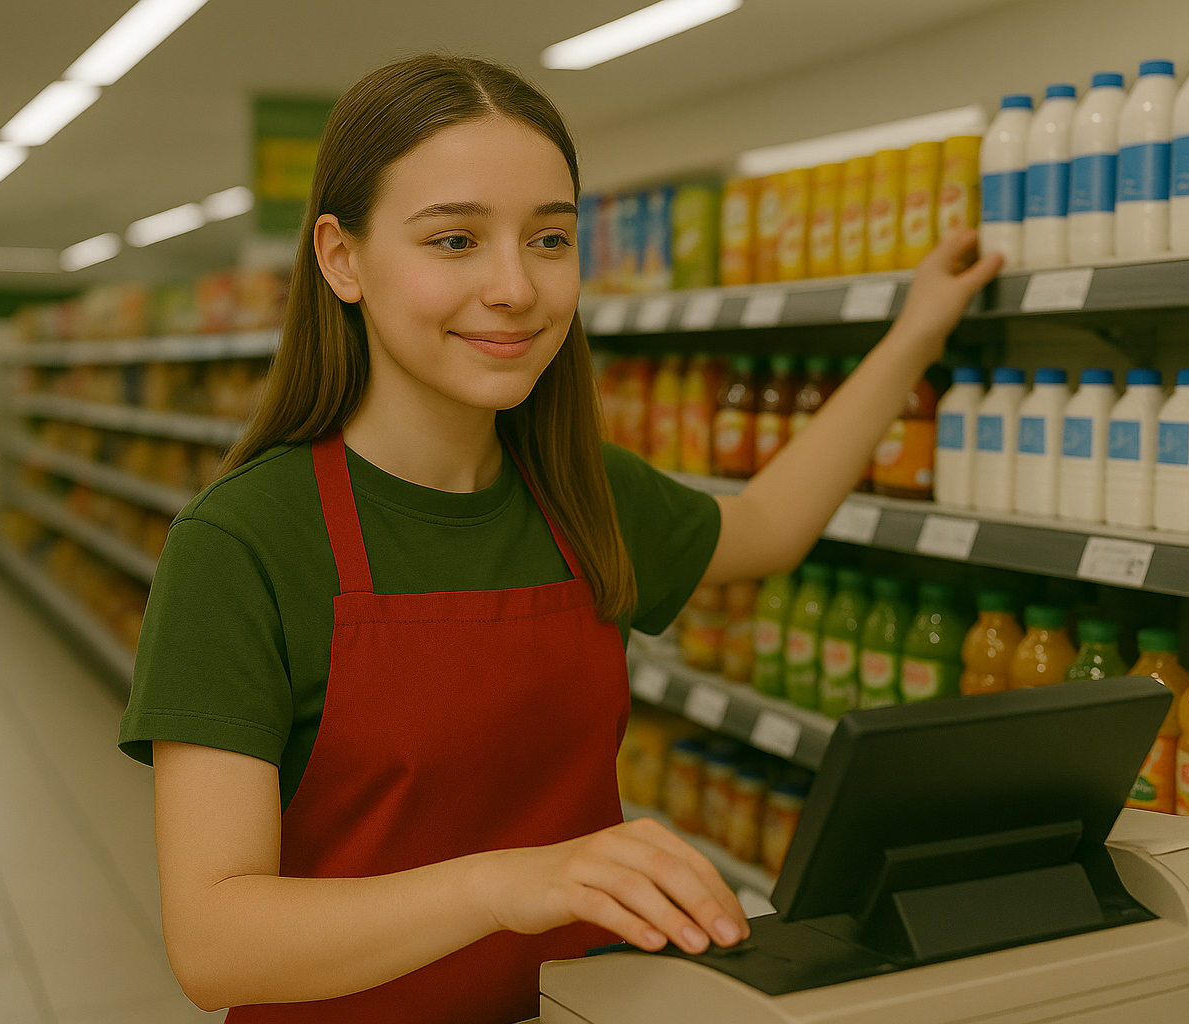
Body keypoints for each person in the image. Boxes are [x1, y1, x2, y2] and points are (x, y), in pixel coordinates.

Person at [118, 53, 1001, 1023]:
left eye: (549, 239)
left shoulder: (579, 493)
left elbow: (769, 527)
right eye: (454, 240)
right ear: (342, 259)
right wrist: (508, 886)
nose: (515, 288)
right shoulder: (240, 542)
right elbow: (215, 944)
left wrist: (914, 334)